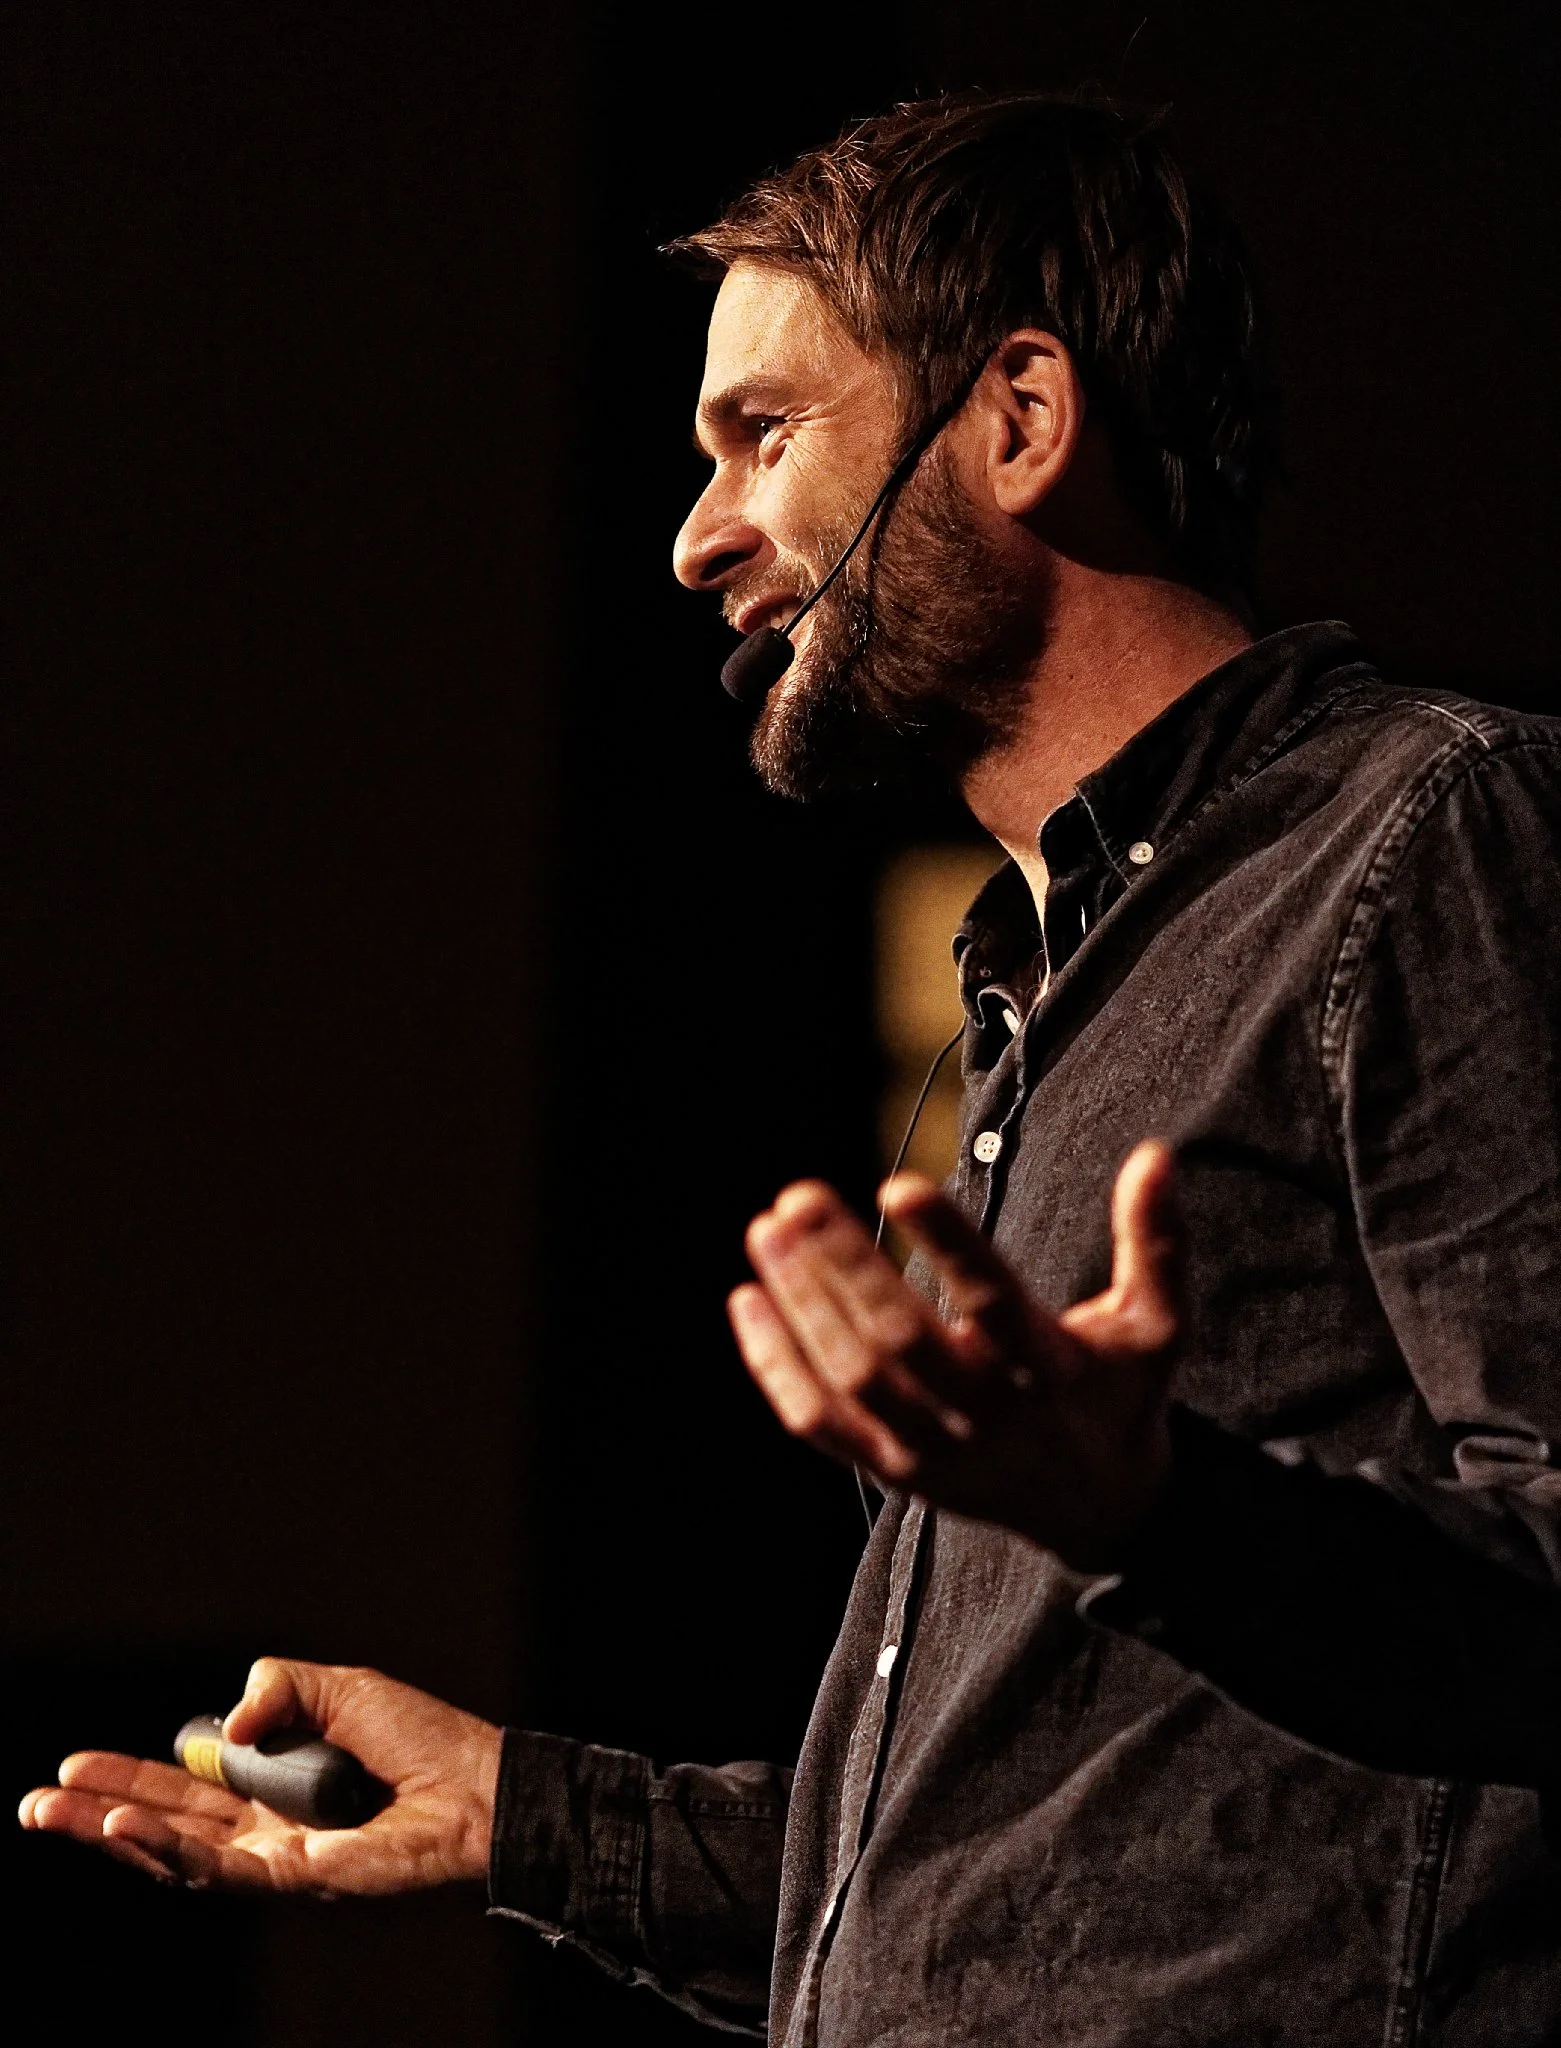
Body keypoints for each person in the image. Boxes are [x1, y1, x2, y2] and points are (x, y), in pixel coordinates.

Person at [21, 91, 1561, 2045]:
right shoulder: (1053, 987)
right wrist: (522, 1815)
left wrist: (1161, 1512)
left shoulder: (1433, 836)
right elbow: (1013, 1898)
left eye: (764, 434)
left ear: (1019, 417)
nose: (693, 542)